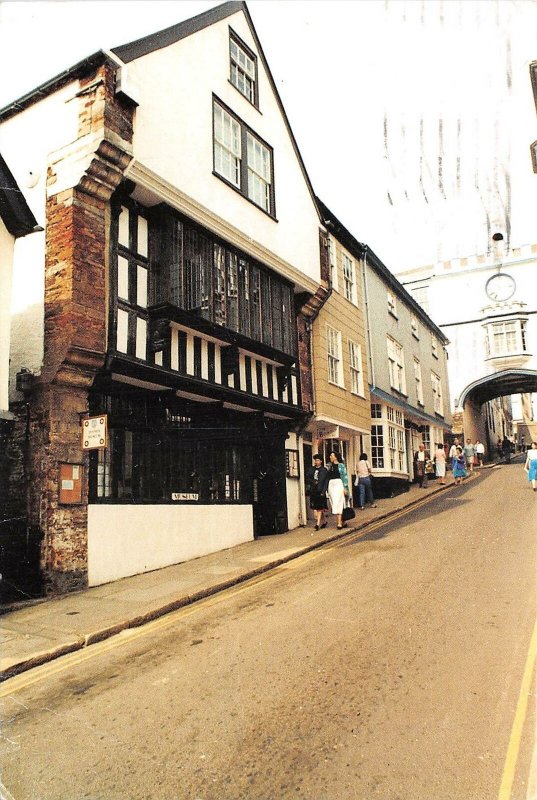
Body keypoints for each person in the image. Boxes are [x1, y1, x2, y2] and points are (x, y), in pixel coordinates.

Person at [327, 451, 350, 529]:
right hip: (331, 485)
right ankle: (342, 521)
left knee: (339, 502)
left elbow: (345, 476)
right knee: (334, 503)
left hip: (339, 483)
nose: (330, 457)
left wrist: (345, 488)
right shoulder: (329, 466)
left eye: (331, 455)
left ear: (336, 457)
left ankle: (339, 523)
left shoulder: (341, 465)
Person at [306, 454, 329, 530]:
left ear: (321, 461)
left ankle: (317, 524)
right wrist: (313, 481)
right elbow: (307, 478)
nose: (316, 462)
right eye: (315, 460)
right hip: (313, 490)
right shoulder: (311, 469)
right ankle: (324, 521)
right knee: (318, 507)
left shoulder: (324, 470)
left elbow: (326, 482)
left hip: (320, 491)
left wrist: (324, 491)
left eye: (318, 460)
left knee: (319, 508)